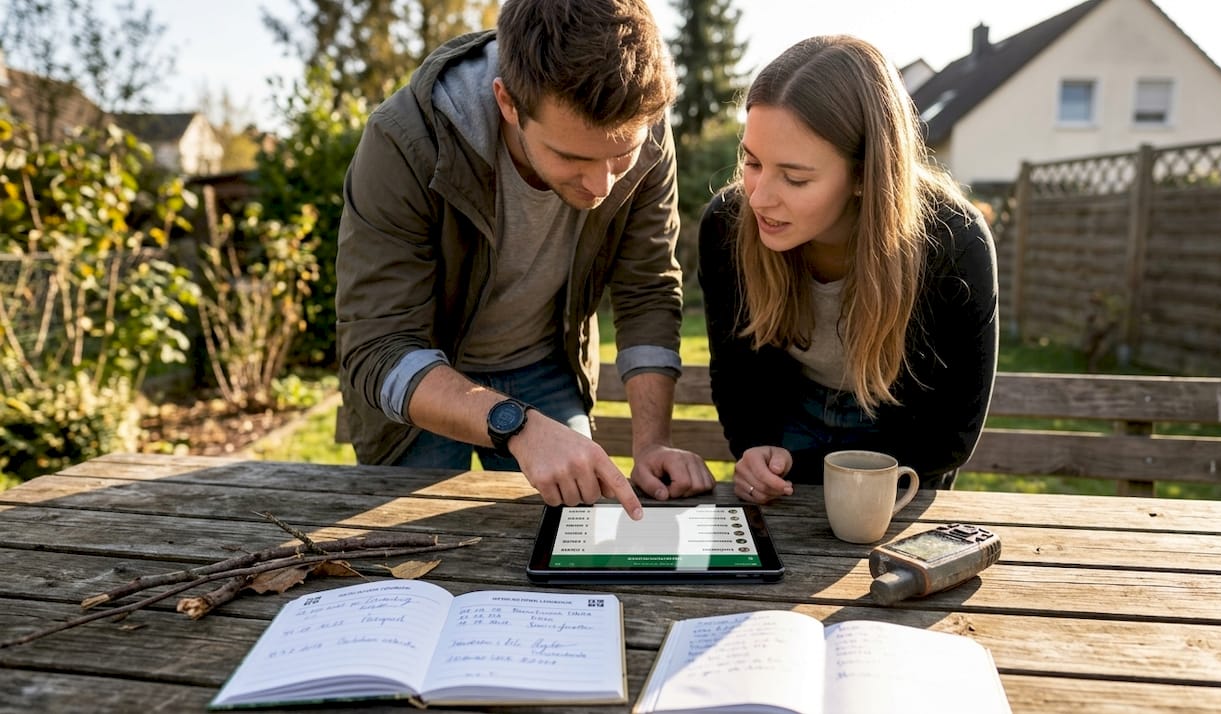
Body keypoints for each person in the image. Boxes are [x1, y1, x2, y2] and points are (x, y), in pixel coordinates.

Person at [336, 0, 715, 520]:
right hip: (427, 374)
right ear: (508, 103)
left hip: (546, 364)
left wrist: (652, 445)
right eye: (573, 157)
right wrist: (517, 424)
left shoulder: (642, 125)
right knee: (414, 551)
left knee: (567, 537)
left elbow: (646, 286)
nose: (602, 185)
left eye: (619, 154)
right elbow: (376, 348)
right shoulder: (405, 139)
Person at [698, 35, 998, 504]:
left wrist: (841, 475)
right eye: (752, 162)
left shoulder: (954, 242)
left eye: (795, 178)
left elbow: (951, 434)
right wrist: (755, 449)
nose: (758, 198)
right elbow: (737, 377)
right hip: (788, 421)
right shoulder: (727, 225)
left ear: (864, 174)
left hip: (910, 443)